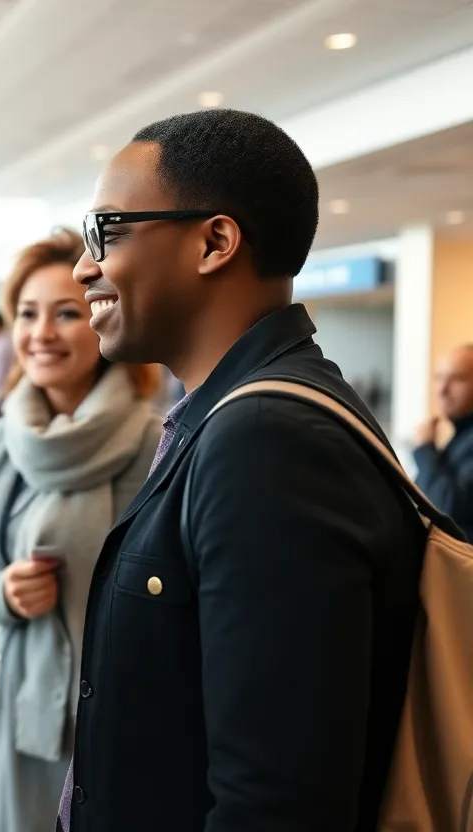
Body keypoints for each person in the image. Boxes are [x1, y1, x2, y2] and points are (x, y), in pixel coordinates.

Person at [59, 108, 426, 832]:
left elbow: (277, 804)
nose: (83, 266)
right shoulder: (230, 417)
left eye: (106, 230)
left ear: (214, 242)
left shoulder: (267, 440)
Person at [0, 231, 161, 832]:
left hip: (125, 713)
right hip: (21, 710)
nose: (41, 333)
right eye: (26, 313)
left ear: (104, 314)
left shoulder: (156, 442)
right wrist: (4, 592)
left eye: (66, 313)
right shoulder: (2, 442)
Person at [414, 343, 473, 538]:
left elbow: (447, 507)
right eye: (439, 377)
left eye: (457, 378)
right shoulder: (460, 436)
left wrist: (424, 450)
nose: (442, 390)